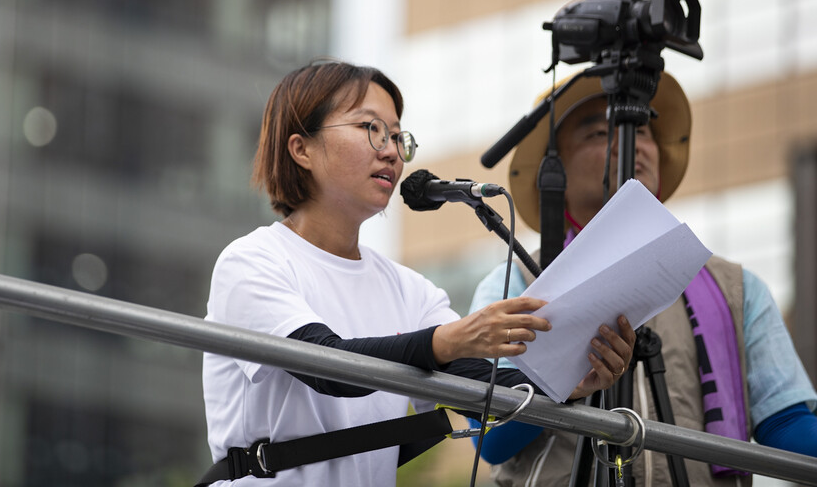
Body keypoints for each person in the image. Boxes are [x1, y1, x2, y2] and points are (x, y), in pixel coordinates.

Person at [201, 59, 636, 486]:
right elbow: (326, 368)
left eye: (396, 136)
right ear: (302, 149)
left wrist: (570, 382)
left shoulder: (410, 289)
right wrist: (447, 340)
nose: (391, 150)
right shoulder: (252, 261)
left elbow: (481, 387)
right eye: (369, 129)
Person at [469, 71, 817, 486]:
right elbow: (488, 438)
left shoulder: (736, 288)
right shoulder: (514, 283)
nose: (631, 143)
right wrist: (563, 380)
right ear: (553, 171)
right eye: (598, 132)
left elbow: (785, 424)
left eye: (643, 131)